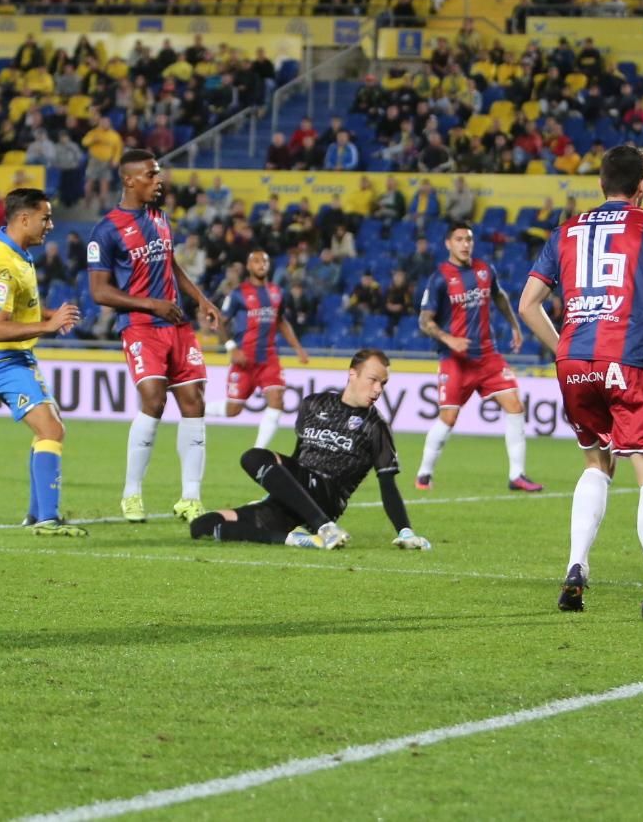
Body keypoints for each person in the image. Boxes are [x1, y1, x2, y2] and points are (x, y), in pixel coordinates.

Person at [518, 143, 643, 622]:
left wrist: (564, 347)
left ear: (601, 183)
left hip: (574, 363)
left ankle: (576, 564)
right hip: (627, 360)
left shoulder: (565, 231)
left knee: (597, 462)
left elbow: (527, 304)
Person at [88, 149, 222, 525]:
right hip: (141, 327)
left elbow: (170, 263)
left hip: (176, 324)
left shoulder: (160, 217)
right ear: (129, 180)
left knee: (194, 402)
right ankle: (132, 493)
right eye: (151, 174)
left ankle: (191, 498)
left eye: (158, 173)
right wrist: (151, 304)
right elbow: (99, 291)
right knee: (154, 399)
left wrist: (201, 299)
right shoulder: (106, 230)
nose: (158, 180)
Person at [189, 349, 432, 551]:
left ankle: (324, 527)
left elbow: (387, 483)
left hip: (326, 497)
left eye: (383, 383)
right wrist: (277, 490)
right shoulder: (314, 404)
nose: (378, 389)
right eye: (373, 380)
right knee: (202, 526)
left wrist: (405, 531)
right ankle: (298, 540)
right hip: (295, 498)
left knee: (253, 456)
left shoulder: (376, 426)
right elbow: (299, 458)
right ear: (353, 374)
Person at [0, 188, 84, 536]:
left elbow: (14, 307)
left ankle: (37, 515)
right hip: (2, 360)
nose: (50, 225)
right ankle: (47, 519)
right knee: (51, 430)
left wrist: (48, 315)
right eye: (45, 218)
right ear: (24, 218)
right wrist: (47, 326)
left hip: (16, 355)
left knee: (48, 429)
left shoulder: (4, 248)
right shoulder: (5, 267)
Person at [415, 221, 543, 493]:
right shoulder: (440, 278)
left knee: (515, 406)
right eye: (459, 239)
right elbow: (424, 321)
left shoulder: (485, 270)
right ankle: (424, 474)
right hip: (455, 359)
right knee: (448, 418)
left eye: (468, 239)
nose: (465, 244)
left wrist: (515, 326)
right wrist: (449, 339)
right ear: (448, 243)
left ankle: (517, 475)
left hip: (487, 356)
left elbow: (499, 296)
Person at [204, 250, 311, 449]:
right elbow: (219, 321)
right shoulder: (238, 293)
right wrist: (231, 348)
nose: (261, 264)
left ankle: (258, 451)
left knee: (277, 400)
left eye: (265, 261)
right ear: (248, 266)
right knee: (233, 409)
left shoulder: (277, 292)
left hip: (269, 358)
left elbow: (281, 321)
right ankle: (197, 409)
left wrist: (298, 348)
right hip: (244, 358)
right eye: (256, 261)